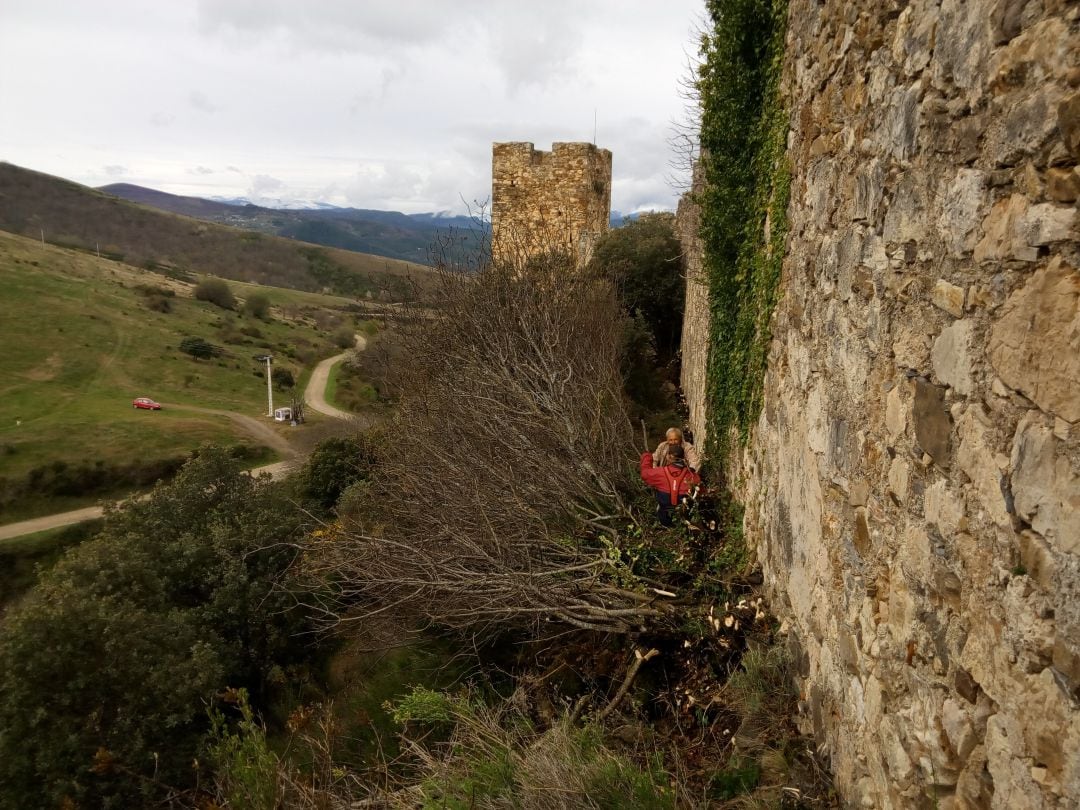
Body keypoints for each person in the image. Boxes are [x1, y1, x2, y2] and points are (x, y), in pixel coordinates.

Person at [640, 444, 701, 527]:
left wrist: (647, 456)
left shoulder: (660, 472)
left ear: (668, 457)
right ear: (683, 457)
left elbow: (644, 474)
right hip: (686, 518)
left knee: (662, 506)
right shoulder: (691, 475)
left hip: (665, 519)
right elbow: (698, 485)